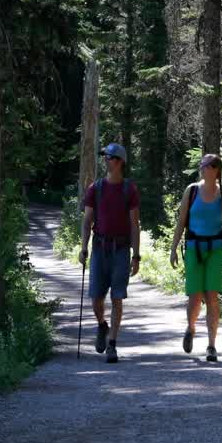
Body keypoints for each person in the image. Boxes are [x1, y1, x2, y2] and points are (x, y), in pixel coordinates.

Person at [168, 153, 222, 362]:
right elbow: (181, 222)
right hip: (193, 248)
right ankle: (190, 328)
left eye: (207, 165)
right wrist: (173, 249)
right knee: (195, 296)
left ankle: (211, 346)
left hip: (215, 249)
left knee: (212, 296)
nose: (203, 168)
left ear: (216, 169)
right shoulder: (191, 191)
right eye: (202, 164)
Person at [79, 143, 141, 363]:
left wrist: (136, 255)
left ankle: (112, 344)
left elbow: (135, 224)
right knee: (96, 298)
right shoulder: (96, 188)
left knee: (117, 297)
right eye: (105, 156)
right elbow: (87, 221)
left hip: (122, 250)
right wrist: (84, 246)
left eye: (111, 157)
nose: (107, 160)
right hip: (99, 248)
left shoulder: (129, 189)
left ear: (121, 161)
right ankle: (102, 325)